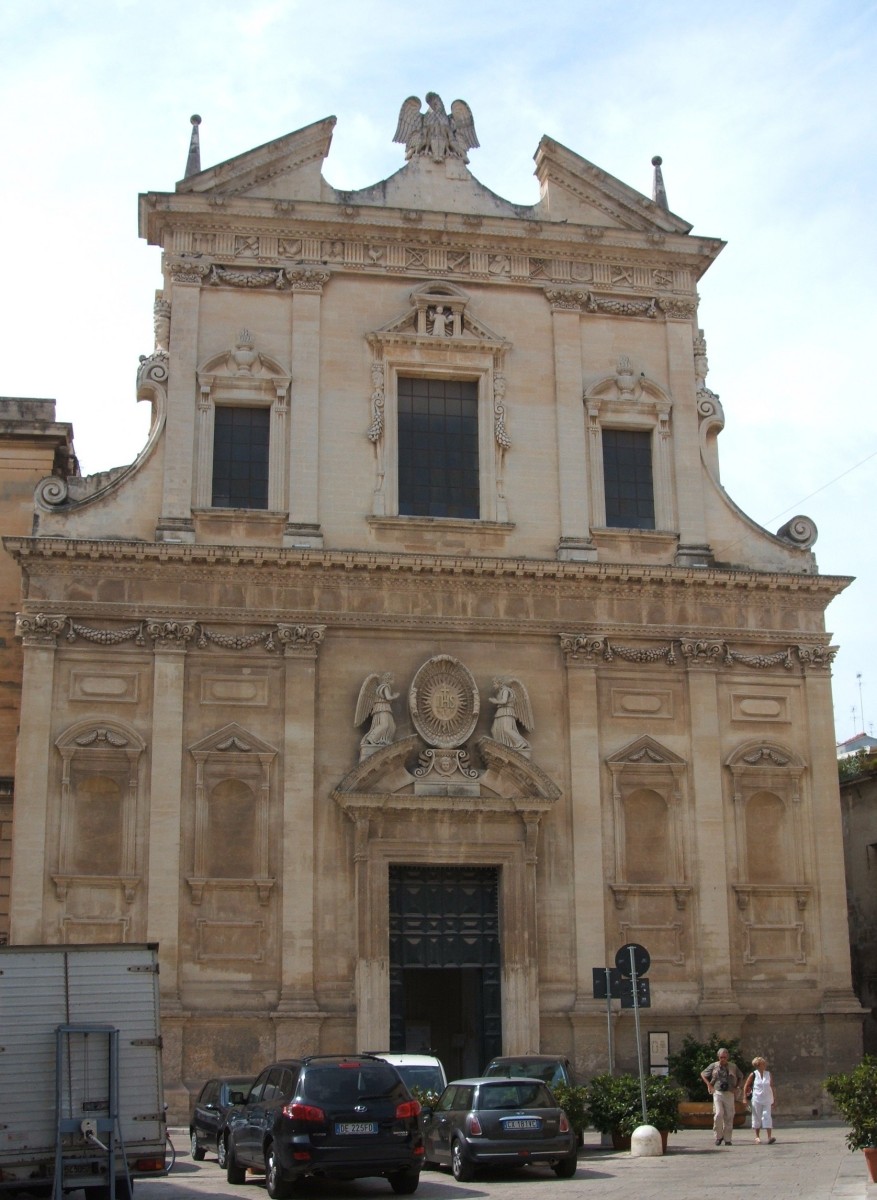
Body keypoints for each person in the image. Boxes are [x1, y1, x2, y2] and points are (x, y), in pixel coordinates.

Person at [701, 1047, 744, 1146]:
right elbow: (703, 1074)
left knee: (729, 1115)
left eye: (724, 1057)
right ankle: (718, 1136)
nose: (723, 1059)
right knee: (718, 1114)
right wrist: (709, 1085)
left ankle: (727, 1138)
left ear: (727, 1057)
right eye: (721, 1057)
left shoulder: (733, 1066)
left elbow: (740, 1076)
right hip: (718, 1092)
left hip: (729, 1093)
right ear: (718, 1057)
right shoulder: (714, 1066)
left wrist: (737, 1087)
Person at [743, 1056, 777, 1144]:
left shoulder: (768, 1074)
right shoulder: (753, 1074)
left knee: (767, 1116)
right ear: (758, 1065)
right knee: (756, 1117)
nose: (764, 1065)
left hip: (767, 1099)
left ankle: (769, 1137)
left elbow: (772, 1086)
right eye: (762, 1064)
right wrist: (745, 1098)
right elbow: (746, 1086)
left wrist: (774, 1098)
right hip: (756, 1099)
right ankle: (757, 1137)